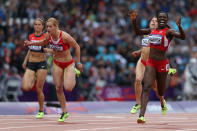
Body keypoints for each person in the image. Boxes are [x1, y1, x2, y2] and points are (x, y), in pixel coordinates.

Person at [129, 11, 185, 123]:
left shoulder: (169, 31)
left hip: (162, 63)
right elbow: (138, 31)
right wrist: (134, 21)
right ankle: (141, 116)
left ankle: (168, 73)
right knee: (147, 87)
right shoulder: (151, 31)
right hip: (151, 63)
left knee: (160, 91)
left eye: (164, 17)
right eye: (160, 17)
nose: (162, 19)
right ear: (158, 20)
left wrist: (179, 26)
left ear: (167, 19)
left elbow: (182, 37)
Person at [24, 17, 83, 122]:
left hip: (68, 64)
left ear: (56, 27)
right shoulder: (48, 35)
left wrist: (78, 62)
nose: (48, 28)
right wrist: (31, 43)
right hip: (57, 64)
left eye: (50, 26)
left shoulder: (64, 36)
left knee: (68, 88)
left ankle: (74, 71)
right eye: (47, 26)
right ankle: (64, 112)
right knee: (58, 88)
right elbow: (43, 42)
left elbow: (77, 47)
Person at [22, 18, 47, 119]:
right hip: (31, 63)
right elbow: (30, 49)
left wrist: (31, 43)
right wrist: (25, 60)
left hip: (41, 64)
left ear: (42, 26)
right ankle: (33, 78)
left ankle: (41, 110)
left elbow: (41, 44)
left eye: (39, 24)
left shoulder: (45, 37)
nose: (37, 26)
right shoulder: (30, 36)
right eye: (35, 24)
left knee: (38, 89)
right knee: (25, 86)